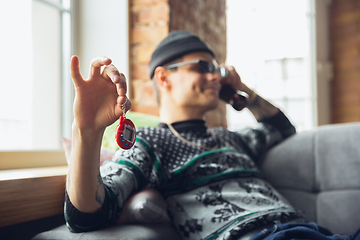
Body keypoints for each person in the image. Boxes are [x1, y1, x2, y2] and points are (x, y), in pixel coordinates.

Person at [64, 31, 360, 240]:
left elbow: (281, 128)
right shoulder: (151, 142)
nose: (216, 76)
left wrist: (243, 91)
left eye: (217, 69)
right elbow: (89, 215)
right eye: (203, 67)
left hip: (316, 232)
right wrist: (87, 132)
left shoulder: (230, 138)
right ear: (164, 77)